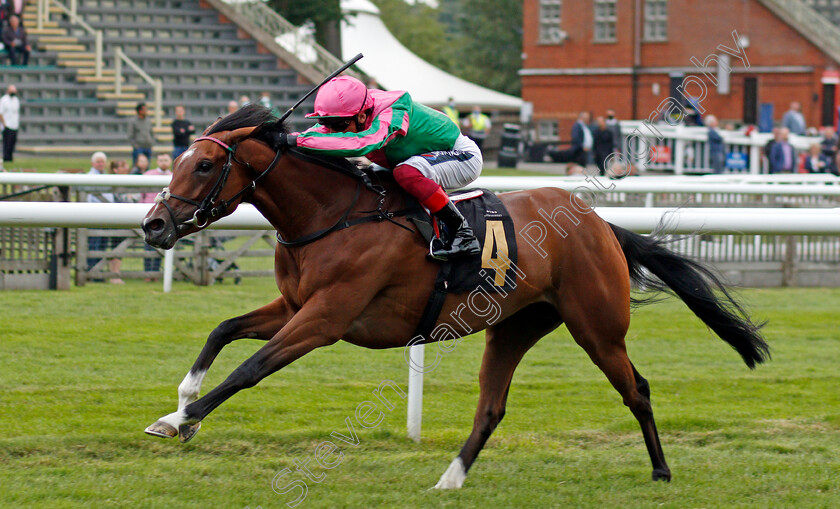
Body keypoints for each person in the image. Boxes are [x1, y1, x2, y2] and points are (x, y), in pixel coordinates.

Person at [286, 75, 482, 261]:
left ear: (362, 116)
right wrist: (285, 139)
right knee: (370, 177)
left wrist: (298, 140)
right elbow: (315, 135)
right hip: (413, 158)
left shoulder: (393, 110)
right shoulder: (352, 113)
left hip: (461, 155)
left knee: (406, 173)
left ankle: (462, 233)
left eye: (337, 125)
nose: (332, 131)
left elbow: (365, 143)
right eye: (326, 123)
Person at [86, 152, 124, 284]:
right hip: (95, 216)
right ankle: (93, 273)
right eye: (98, 162)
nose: (101, 164)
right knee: (94, 245)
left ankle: (98, 272)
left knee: (101, 246)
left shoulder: (105, 176)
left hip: (106, 215)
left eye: (103, 162)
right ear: (93, 163)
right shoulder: (90, 177)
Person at [141, 153, 173, 273]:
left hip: (165, 216)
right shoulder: (148, 175)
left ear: (169, 162)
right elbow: (142, 194)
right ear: (157, 162)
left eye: (165, 160)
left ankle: (156, 271)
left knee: (160, 243)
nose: (163, 162)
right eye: (161, 160)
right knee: (148, 243)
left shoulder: (174, 176)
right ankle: (148, 271)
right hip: (149, 213)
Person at [0, 84, 20, 167]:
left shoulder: (16, 100)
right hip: (7, 125)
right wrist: (4, 124)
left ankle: (10, 158)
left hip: (15, 125)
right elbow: (0, 112)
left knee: (12, 142)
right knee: (7, 143)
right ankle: (6, 158)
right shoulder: (4, 100)